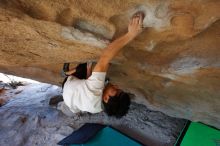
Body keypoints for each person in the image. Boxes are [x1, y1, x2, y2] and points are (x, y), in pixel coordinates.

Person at [61, 12, 144, 118]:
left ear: (106, 98)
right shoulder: (99, 108)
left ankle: (66, 72)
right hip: (69, 101)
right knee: (97, 73)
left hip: (68, 84)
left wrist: (131, 34)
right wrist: (90, 73)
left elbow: (105, 57)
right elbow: (88, 91)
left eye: (115, 90)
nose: (116, 86)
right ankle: (86, 73)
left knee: (85, 66)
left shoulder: (94, 92)